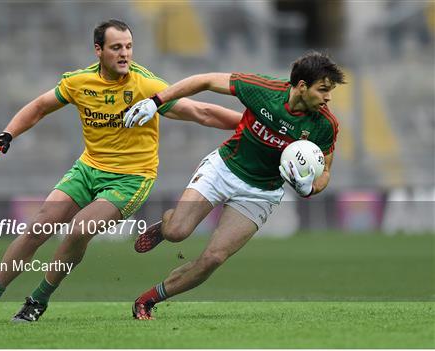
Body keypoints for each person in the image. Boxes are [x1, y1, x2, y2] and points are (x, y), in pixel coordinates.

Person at [0, 19, 242, 324]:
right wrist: (6, 135)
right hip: (88, 168)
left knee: (79, 229)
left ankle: (38, 300)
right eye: (116, 47)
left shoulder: (147, 86)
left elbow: (202, 112)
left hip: (132, 178)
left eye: (129, 47)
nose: (125, 54)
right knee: (38, 226)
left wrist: (249, 123)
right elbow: (39, 106)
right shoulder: (79, 82)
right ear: (98, 50)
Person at [123, 51, 345, 320]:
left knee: (213, 258)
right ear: (301, 86)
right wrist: (156, 101)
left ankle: (148, 300)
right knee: (177, 231)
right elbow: (204, 80)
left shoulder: (325, 125)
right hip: (223, 169)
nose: (328, 98)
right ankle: (166, 225)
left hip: (261, 193)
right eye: (323, 90)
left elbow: (325, 172)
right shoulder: (263, 90)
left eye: (330, 91)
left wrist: (309, 187)